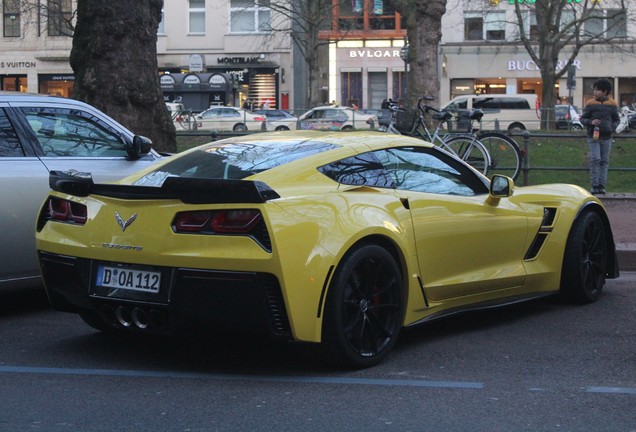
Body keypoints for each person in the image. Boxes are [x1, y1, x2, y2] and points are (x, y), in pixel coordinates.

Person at [580, 78, 620, 195]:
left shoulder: (612, 104)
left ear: (605, 91)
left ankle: (602, 185)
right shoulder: (590, 103)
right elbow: (583, 119)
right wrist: (591, 122)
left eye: (597, 90)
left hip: (607, 136)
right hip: (593, 136)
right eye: (595, 90)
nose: (595, 92)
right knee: (596, 159)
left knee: (604, 160)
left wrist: (611, 127)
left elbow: (616, 119)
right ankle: (594, 185)